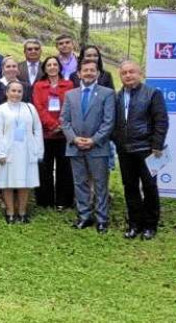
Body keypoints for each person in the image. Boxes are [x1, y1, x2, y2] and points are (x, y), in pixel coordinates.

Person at [112, 61, 169, 240]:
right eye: (124, 73)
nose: (128, 76)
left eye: (132, 72)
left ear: (140, 73)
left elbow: (161, 121)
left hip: (148, 149)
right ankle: (134, 224)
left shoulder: (153, 93)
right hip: (125, 150)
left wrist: (157, 145)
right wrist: (117, 140)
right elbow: (114, 122)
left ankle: (150, 225)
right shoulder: (117, 96)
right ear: (120, 76)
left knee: (150, 187)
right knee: (130, 187)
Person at [61, 59, 116, 234]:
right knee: (80, 183)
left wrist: (93, 140)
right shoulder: (71, 94)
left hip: (98, 147)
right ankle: (84, 216)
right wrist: (74, 138)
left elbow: (109, 122)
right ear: (79, 74)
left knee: (100, 184)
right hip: (75, 146)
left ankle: (102, 219)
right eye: (85, 70)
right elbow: (64, 120)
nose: (89, 73)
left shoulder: (107, 94)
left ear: (98, 74)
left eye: (93, 70)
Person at [0, 81, 44, 224]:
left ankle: (22, 212)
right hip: (8, 151)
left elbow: (37, 129)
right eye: (13, 91)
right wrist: (1, 153)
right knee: (8, 182)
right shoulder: (0, 110)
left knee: (24, 182)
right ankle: (9, 212)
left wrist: (39, 150)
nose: (16, 94)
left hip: (27, 150)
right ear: (7, 92)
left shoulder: (30, 108)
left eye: (19, 91)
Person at [31, 56, 75, 209]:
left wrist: (61, 125)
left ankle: (63, 201)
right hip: (45, 134)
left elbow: (70, 106)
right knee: (44, 168)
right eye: (48, 65)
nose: (52, 67)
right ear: (44, 68)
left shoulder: (69, 85)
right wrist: (52, 124)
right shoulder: (38, 86)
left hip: (64, 134)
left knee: (64, 168)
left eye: (55, 64)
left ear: (59, 67)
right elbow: (38, 108)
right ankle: (45, 201)